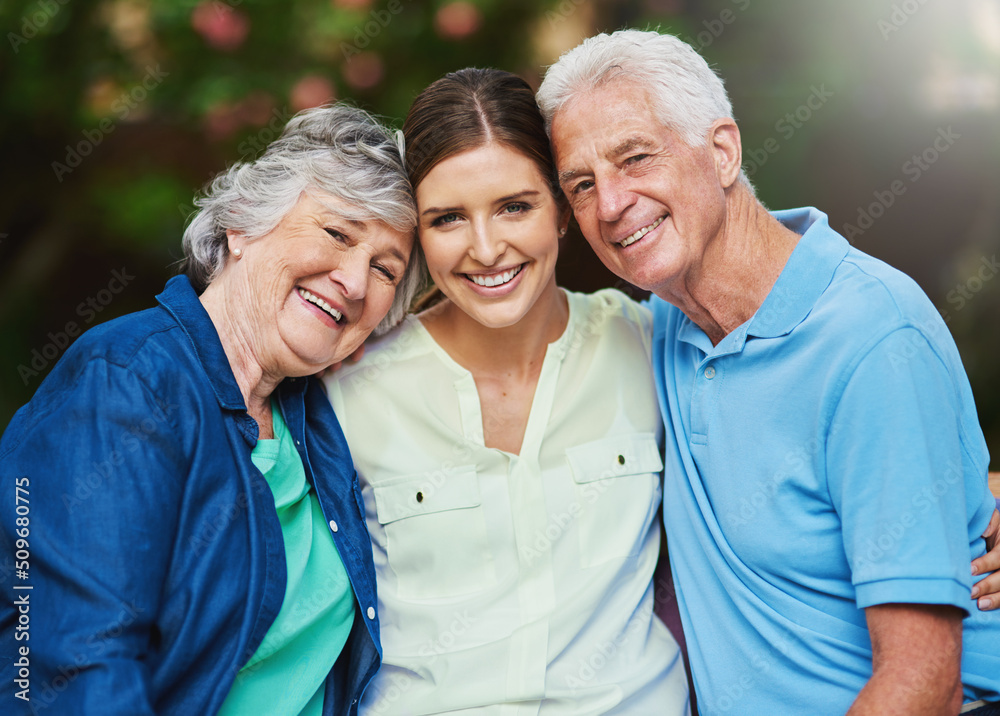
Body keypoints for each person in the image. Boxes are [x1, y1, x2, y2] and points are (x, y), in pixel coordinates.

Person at [537, 28, 1000, 715]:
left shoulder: (870, 339)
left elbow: (921, 686)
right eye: (582, 183)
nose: (610, 204)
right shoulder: (653, 327)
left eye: (635, 158)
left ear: (722, 152)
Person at [0, 104, 423, 716]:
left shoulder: (322, 422)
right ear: (243, 226)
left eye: (386, 269)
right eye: (338, 233)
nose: (356, 282)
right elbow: (77, 662)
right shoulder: (130, 382)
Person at [325, 68, 690, 714]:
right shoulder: (348, 391)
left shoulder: (648, 346)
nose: (487, 249)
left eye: (514, 206)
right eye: (448, 219)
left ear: (563, 210)